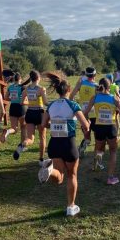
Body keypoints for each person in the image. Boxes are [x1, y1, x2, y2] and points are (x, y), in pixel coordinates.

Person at [38, 72, 90, 217]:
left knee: (59, 176)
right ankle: (70, 207)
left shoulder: (52, 105)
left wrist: (55, 124)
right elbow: (85, 125)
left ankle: (49, 171)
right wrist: (85, 128)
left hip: (54, 143)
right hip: (68, 144)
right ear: (68, 90)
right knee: (71, 175)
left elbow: (43, 124)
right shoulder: (73, 105)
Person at [84, 78, 120, 185]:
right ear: (109, 86)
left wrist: (87, 121)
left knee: (99, 148)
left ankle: (98, 158)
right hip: (111, 128)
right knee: (113, 152)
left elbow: (85, 112)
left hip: (99, 128)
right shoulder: (114, 99)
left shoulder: (95, 98)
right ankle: (110, 178)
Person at [13, 70, 48, 164]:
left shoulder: (26, 89)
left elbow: (21, 102)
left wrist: (30, 103)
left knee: (30, 138)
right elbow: (45, 103)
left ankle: (21, 146)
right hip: (39, 113)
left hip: (29, 113)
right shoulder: (41, 89)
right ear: (38, 78)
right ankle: (41, 159)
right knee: (42, 138)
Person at [69, 67, 97, 158]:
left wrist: (76, 105)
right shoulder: (96, 86)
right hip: (94, 114)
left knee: (87, 136)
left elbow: (71, 96)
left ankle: (81, 150)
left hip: (83, 114)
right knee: (98, 138)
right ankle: (96, 157)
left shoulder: (80, 84)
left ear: (86, 74)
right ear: (95, 75)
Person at [1, 72, 28, 146]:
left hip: (13, 107)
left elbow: (6, 97)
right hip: (21, 108)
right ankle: (22, 145)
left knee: (14, 128)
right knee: (23, 127)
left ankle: (8, 131)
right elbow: (25, 99)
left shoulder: (10, 87)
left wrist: (13, 99)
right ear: (20, 79)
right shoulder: (23, 87)